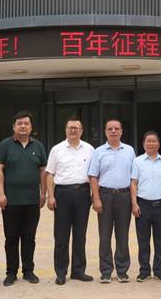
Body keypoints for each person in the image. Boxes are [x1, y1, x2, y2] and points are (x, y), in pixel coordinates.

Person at [0, 111, 47, 286]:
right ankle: (11, 272)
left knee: (29, 237)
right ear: (14, 126)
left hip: (32, 200)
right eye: (19, 123)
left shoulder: (38, 146)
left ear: (31, 127)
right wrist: (1, 193)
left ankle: (28, 271)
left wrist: (43, 193)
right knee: (11, 238)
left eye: (26, 123)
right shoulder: (5, 145)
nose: (23, 126)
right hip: (10, 201)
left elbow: (43, 171)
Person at [46, 117, 94, 285]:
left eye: (76, 127)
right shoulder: (57, 149)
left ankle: (78, 271)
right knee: (61, 236)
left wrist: (94, 195)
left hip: (83, 193)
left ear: (82, 131)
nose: (73, 130)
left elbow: (94, 175)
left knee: (80, 235)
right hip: (62, 194)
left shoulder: (89, 149)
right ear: (65, 130)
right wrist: (50, 196)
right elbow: (50, 174)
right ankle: (61, 272)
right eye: (70, 127)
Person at [88, 119, 135, 283]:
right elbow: (93, 177)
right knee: (105, 235)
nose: (113, 131)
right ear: (105, 132)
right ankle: (106, 271)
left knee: (123, 235)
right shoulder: (98, 152)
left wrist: (133, 201)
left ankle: (122, 270)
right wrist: (96, 198)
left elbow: (134, 178)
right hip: (105, 196)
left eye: (116, 128)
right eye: (110, 129)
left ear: (121, 131)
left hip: (124, 196)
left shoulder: (129, 150)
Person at [130, 131, 161, 283]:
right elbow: (133, 183)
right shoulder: (137, 161)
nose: (151, 143)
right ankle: (144, 270)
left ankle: (159, 270)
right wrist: (134, 203)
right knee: (143, 240)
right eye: (148, 141)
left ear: (159, 144)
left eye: (154, 141)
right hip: (143, 205)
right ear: (143, 144)